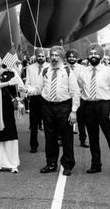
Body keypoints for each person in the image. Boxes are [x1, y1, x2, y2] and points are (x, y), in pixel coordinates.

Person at [78, 44, 110, 176]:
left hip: (105, 106)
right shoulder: (83, 72)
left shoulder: (108, 71)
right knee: (93, 138)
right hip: (88, 106)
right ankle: (96, 164)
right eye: (91, 53)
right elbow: (80, 88)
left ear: (101, 56)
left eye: (96, 53)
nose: (93, 56)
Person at [38, 47, 80, 176]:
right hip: (48, 107)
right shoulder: (45, 70)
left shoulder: (67, 71)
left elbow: (75, 92)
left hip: (64, 107)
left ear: (62, 57)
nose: (54, 58)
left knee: (66, 137)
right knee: (50, 136)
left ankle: (68, 164)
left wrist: (73, 111)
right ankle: (51, 163)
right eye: (52, 55)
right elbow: (38, 88)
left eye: (57, 55)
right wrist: (26, 90)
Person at [24, 48, 47, 153]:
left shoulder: (49, 67)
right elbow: (27, 83)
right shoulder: (30, 68)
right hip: (34, 98)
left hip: (47, 98)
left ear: (45, 57)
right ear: (36, 57)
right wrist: (28, 90)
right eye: (39, 56)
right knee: (34, 124)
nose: (41, 58)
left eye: (42, 56)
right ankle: (33, 145)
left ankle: (50, 144)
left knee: (48, 123)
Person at [65, 49, 88, 148]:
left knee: (82, 120)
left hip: (79, 97)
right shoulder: (63, 68)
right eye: (69, 56)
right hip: (67, 98)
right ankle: (64, 140)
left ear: (77, 58)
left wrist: (83, 93)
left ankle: (83, 140)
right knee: (66, 120)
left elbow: (86, 82)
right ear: (67, 58)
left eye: (73, 56)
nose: (71, 58)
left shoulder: (82, 68)